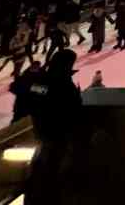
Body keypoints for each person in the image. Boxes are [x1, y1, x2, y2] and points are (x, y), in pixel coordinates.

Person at [23, 49, 82, 204]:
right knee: (53, 167)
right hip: (57, 132)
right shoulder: (62, 84)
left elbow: (34, 95)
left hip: (43, 130)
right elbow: (70, 107)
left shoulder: (42, 81)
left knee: (43, 165)